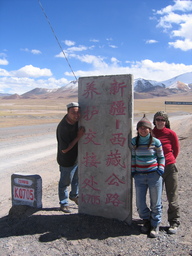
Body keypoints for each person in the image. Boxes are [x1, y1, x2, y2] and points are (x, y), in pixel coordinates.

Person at [131, 114, 165, 238]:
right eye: (141, 128)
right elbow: (133, 157)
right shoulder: (134, 142)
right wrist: (133, 171)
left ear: (150, 129)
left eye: (146, 128)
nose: (143, 130)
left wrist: (160, 169)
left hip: (154, 176)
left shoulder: (156, 142)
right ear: (138, 129)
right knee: (140, 203)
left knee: (155, 202)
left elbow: (161, 157)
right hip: (139, 176)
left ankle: (155, 224)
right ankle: (146, 220)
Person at [153, 111, 180, 234]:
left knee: (172, 196)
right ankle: (155, 222)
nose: (159, 122)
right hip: (154, 168)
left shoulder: (171, 134)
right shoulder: (150, 133)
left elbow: (176, 150)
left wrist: (168, 161)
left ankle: (174, 222)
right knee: (155, 197)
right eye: (157, 119)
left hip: (169, 167)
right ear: (154, 121)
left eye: (162, 119)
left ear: (166, 121)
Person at [56, 102, 85, 213]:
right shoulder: (63, 127)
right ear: (68, 112)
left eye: (78, 113)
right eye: (73, 113)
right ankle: (63, 203)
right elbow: (65, 149)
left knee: (76, 180)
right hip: (66, 160)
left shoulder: (76, 122)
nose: (76, 115)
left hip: (76, 158)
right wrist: (78, 136)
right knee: (65, 182)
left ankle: (74, 196)